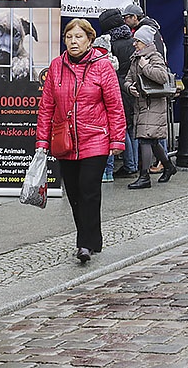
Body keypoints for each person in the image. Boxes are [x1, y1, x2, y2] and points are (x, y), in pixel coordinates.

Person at [36, 18, 126, 264]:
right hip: (65, 140)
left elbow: (115, 106)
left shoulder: (102, 66)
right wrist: (42, 141)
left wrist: (117, 139)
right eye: (69, 37)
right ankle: (93, 237)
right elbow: (46, 107)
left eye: (78, 37)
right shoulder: (57, 66)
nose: (73, 42)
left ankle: (84, 243)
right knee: (73, 193)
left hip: (95, 137)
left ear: (89, 40)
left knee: (89, 190)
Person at [123, 25, 178, 189]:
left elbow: (162, 77)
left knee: (145, 139)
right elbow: (127, 79)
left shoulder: (154, 57)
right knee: (152, 141)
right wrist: (128, 87)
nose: (135, 44)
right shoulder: (136, 58)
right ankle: (169, 167)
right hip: (141, 104)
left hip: (153, 105)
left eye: (138, 41)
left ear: (145, 43)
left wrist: (145, 67)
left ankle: (144, 176)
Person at [98, 8, 137, 181]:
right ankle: (134, 164)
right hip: (133, 86)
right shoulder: (133, 40)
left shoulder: (109, 44)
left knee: (121, 128)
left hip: (118, 86)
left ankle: (129, 165)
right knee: (132, 126)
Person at [92, 33, 120, 183]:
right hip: (107, 111)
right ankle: (109, 172)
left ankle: (103, 173)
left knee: (101, 147)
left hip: (99, 112)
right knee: (109, 145)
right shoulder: (112, 61)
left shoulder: (97, 63)